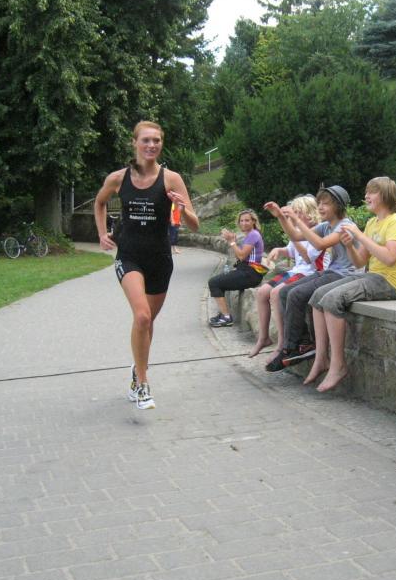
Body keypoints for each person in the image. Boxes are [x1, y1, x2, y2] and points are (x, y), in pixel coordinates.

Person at [93, 120, 199, 410]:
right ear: (135, 143)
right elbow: (99, 203)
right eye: (146, 140)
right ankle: (142, 384)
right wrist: (102, 233)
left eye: (156, 141)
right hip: (129, 256)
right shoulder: (118, 178)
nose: (151, 145)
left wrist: (181, 208)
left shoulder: (171, 179)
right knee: (141, 316)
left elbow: (194, 223)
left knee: (148, 323)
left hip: (160, 260)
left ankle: (136, 370)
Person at [305, 177, 396, 392]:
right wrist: (349, 246)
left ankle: (338, 365)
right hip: (372, 276)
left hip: (391, 283)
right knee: (318, 296)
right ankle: (321, 358)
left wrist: (359, 236)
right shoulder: (372, 223)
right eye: (366, 192)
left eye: (371, 192)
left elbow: (390, 258)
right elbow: (360, 262)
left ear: (385, 195)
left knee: (332, 300)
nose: (366, 196)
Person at [263, 185, 357, 372]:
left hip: (345, 274)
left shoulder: (345, 225)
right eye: (319, 203)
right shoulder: (326, 226)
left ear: (338, 206)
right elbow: (296, 236)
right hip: (332, 271)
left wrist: (296, 218)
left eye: (325, 204)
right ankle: (302, 343)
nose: (320, 207)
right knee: (285, 292)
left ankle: (291, 347)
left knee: (297, 294)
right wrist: (281, 217)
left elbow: (320, 244)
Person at [250, 195, 325, 357]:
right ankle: (263, 338)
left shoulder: (318, 230)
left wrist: (293, 234)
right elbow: (291, 251)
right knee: (262, 292)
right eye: (294, 212)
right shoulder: (297, 230)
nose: (295, 216)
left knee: (276, 293)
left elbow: (308, 258)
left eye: (298, 212)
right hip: (296, 270)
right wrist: (279, 250)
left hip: (309, 272)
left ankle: (282, 342)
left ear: (309, 213)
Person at [207, 209, 266, 328]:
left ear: (253, 221)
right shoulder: (250, 235)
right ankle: (223, 313)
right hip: (246, 271)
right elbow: (240, 256)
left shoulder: (253, 235)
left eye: (247, 220)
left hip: (250, 274)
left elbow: (241, 256)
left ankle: (226, 318)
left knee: (214, 282)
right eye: (241, 221)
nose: (244, 223)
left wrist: (232, 242)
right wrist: (232, 242)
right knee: (219, 281)